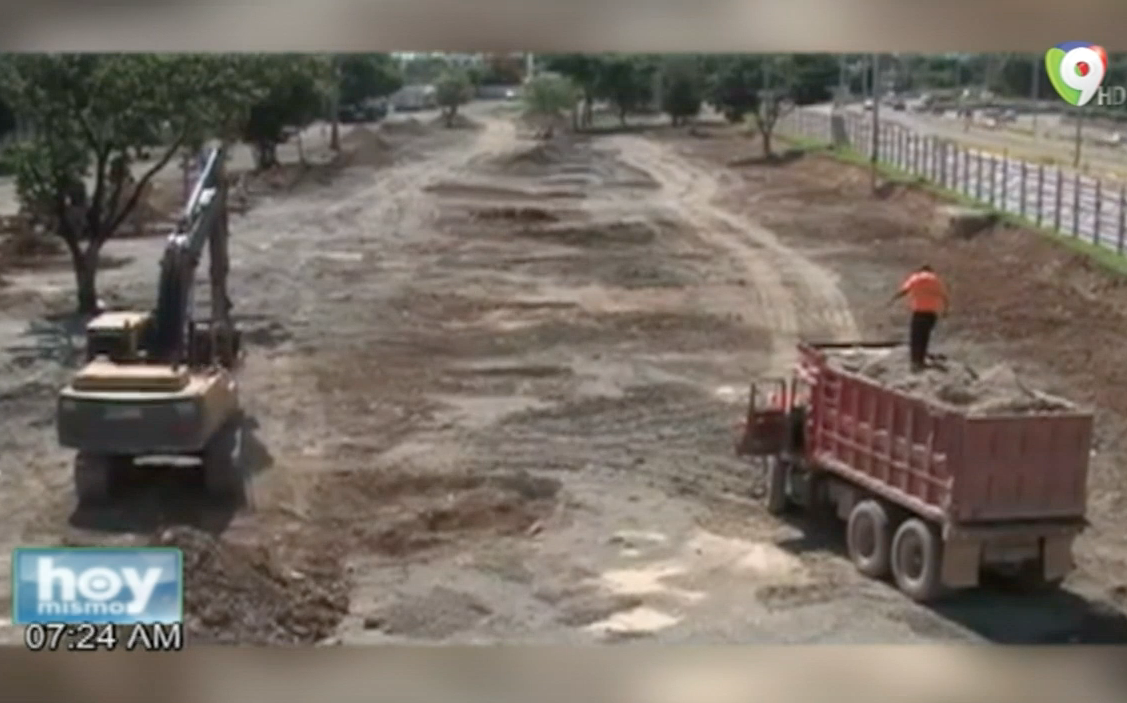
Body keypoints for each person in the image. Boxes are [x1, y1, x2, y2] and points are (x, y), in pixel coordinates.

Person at [890, 265, 948, 372]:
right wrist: (945, 311)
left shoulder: (915, 278)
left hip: (918, 313)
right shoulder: (936, 280)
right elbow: (944, 296)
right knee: (924, 336)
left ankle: (915, 360)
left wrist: (893, 300)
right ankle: (921, 359)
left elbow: (904, 291)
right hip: (931, 314)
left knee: (916, 337)